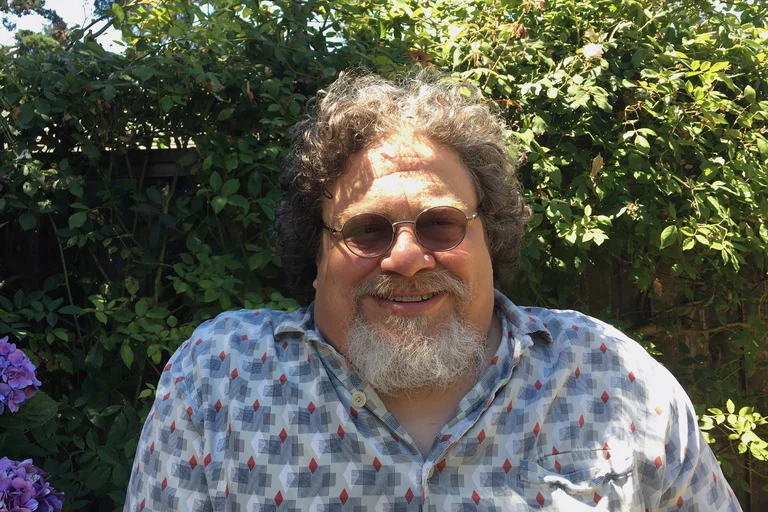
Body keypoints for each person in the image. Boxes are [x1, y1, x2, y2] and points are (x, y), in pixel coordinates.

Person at [124, 72, 741, 511]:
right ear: (313, 253)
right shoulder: (217, 380)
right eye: (366, 230)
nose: (407, 258)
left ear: (488, 238)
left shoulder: (615, 378)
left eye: (440, 224)